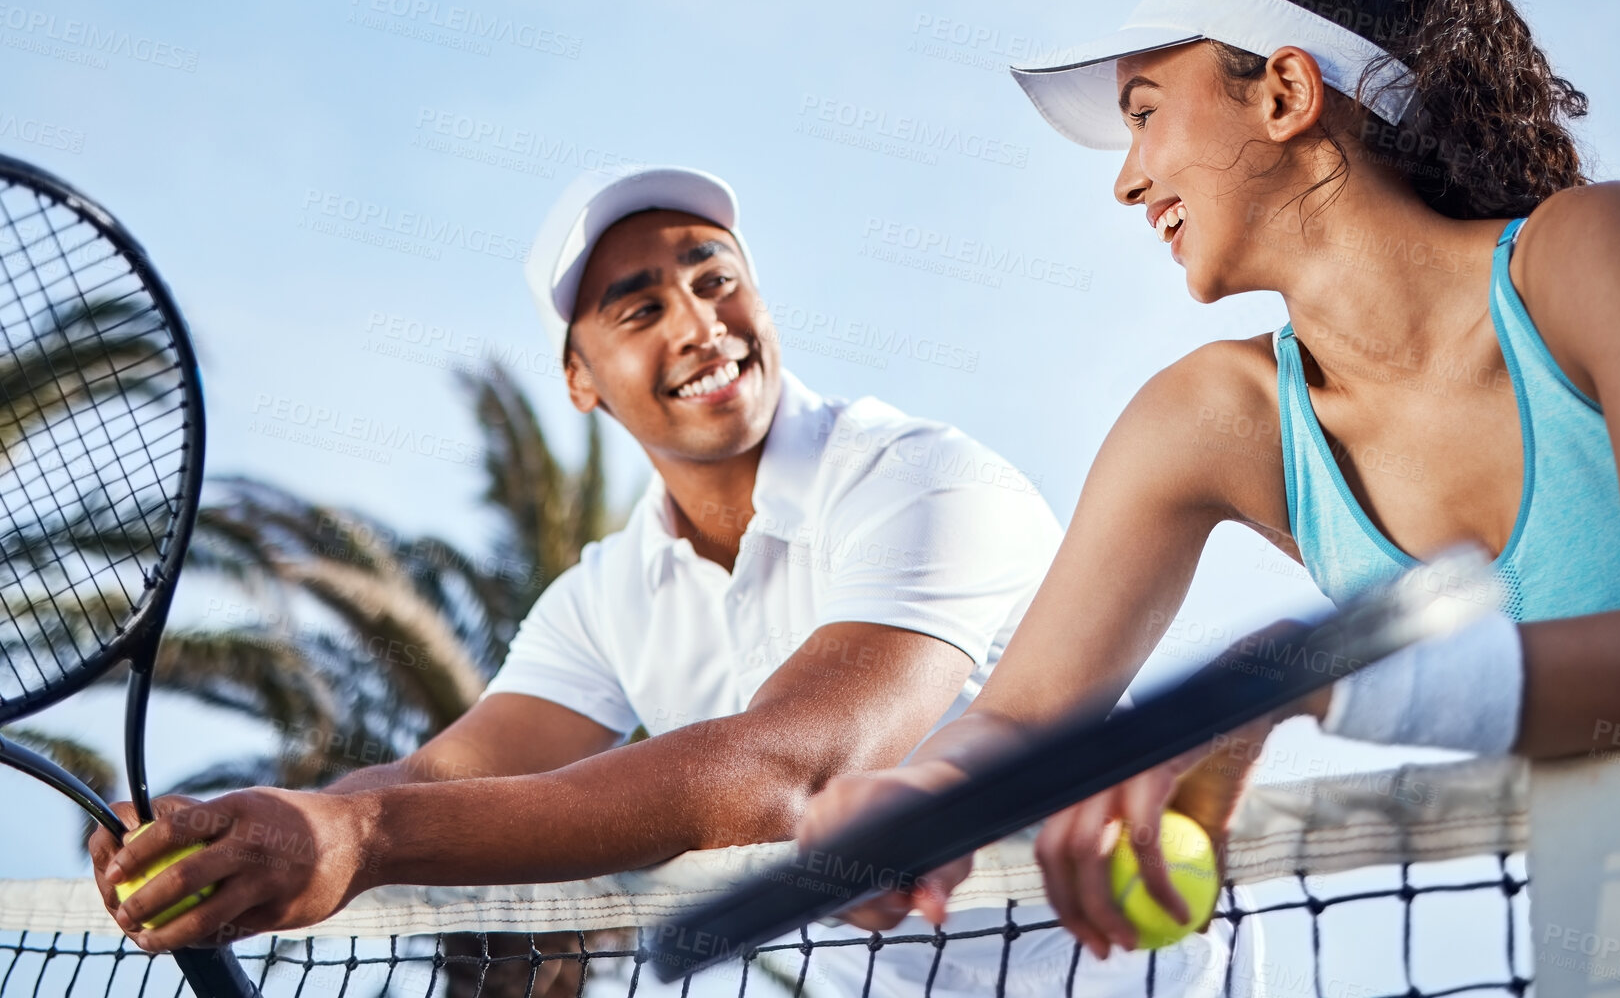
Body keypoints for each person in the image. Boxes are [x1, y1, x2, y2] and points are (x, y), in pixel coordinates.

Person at [797, 0, 1620, 965]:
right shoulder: (1214, 418)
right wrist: (923, 794)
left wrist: (1305, 677)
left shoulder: (1592, 254)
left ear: (1286, 89)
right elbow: (1028, 717)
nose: (1127, 177)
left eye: (1145, 109)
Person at [91, 165, 1213, 995]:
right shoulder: (604, 591)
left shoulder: (920, 480)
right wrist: (224, 837)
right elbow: (447, 771)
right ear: (580, 379)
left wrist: (364, 840)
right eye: (638, 308)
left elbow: (786, 771)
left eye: (716, 278)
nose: (698, 323)